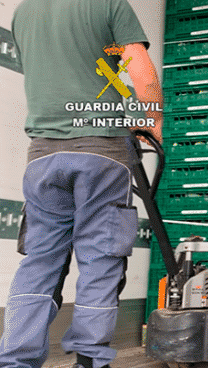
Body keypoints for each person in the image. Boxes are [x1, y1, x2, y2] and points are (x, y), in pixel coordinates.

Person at [0, 0, 163, 367]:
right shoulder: (108, 4)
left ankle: (15, 360)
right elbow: (145, 77)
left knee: (39, 262)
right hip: (101, 151)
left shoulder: (23, 12)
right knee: (101, 258)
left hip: (42, 157)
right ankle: (89, 359)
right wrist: (152, 119)